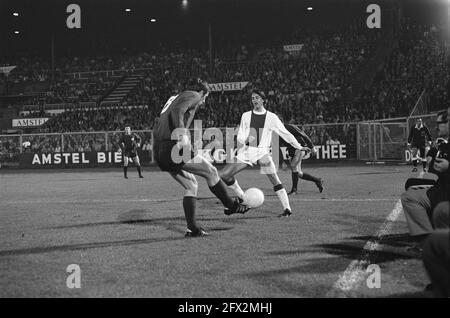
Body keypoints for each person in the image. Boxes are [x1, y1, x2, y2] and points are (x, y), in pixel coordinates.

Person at [152, 78, 248, 237]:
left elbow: (170, 114)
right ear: (202, 92)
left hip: (159, 149)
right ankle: (230, 206)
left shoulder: (175, 98)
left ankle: (193, 229)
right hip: (172, 145)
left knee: (191, 185)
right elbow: (178, 112)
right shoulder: (193, 95)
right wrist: (182, 134)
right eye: (205, 97)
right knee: (211, 171)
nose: (203, 101)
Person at [219, 90, 308, 217]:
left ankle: (287, 209)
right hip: (247, 151)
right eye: (252, 98)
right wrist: (244, 139)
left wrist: (299, 146)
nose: (254, 100)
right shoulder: (246, 115)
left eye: (257, 97)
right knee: (224, 175)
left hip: (262, 152)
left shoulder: (272, 117)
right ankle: (243, 199)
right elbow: (241, 135)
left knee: (274, 178)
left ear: (263, 100)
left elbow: (285, 133)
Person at [278, 120, 324, 195]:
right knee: (298, 173)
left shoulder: (290, 127)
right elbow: (277, 148)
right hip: (291, 151)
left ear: (281, 122)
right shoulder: (276, 132)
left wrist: (312, 147)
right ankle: (317, 180)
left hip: (302, 147)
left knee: (293, 166)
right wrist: (282, 162)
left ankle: (294, 190)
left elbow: (304, 135)